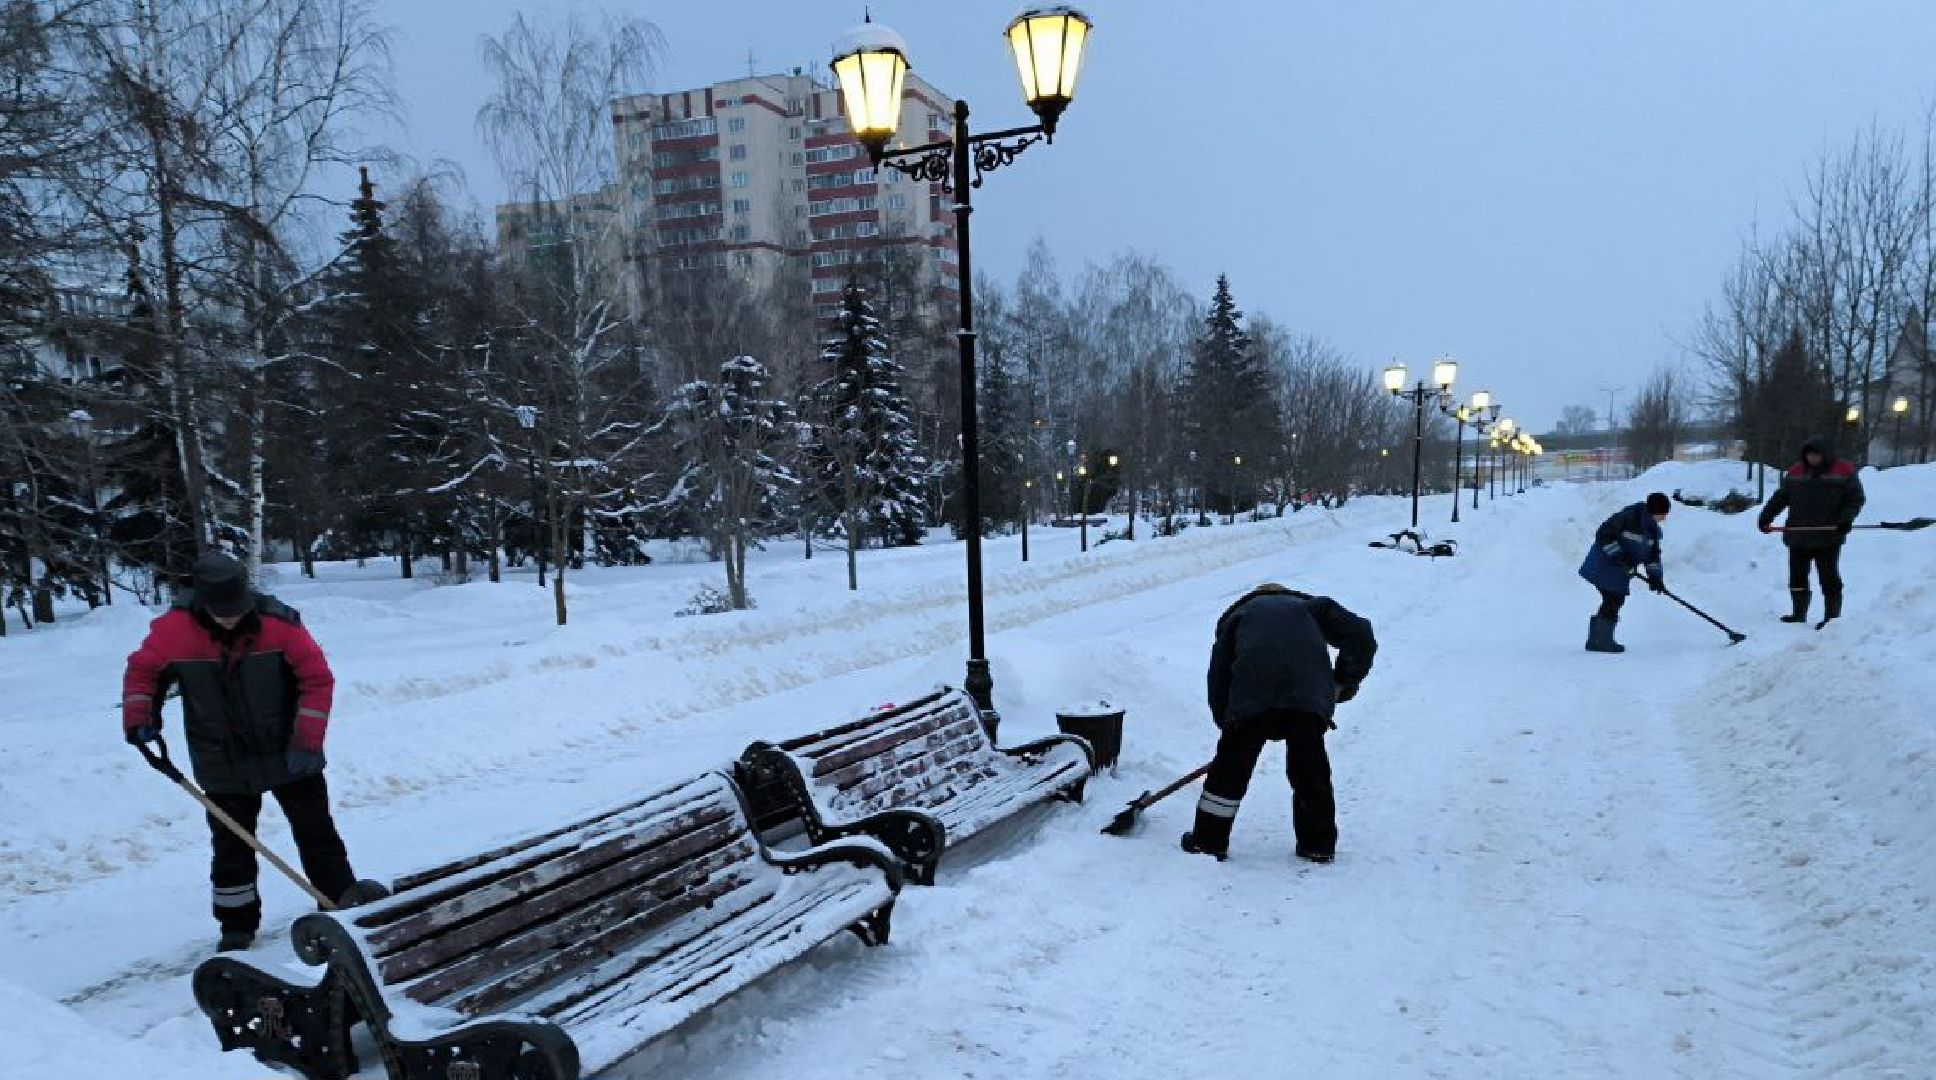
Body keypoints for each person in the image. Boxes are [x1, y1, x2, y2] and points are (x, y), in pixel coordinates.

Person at [122, 553, 384, 951]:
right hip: (219, 757)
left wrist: (307, 742)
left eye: (236, 609)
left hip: (290, 751)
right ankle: (236, 926)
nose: (229, 618)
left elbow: (317, 680)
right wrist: (140, 717)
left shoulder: (279, 625)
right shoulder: (174, 632)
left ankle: (341, 907)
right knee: (231, 846)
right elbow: (143, 673)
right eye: (220, 612)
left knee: (317, 835)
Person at [1182, 584, 1377, 864]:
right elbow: (1360, 635)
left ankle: (1208, 841)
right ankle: (1318, 844)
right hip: (1306, 696)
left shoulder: (1239, 616)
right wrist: (1344, 678)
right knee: (1310, 768)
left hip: (1253, 693)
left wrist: (1229, 726)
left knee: (1231, 770)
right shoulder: (1313, 608)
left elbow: (1219, 676)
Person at [1757, 437, 1865, 625]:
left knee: (1828, 577)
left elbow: (1855, 500)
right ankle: (1799, 614)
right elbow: (1781, 497)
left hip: (1828, 536)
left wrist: (1845, 519)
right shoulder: (1796, 472)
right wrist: (1766, 517)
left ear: (1825, 454)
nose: (1812, 458)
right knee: (1797, 577)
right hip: (1798, 535)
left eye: (1816, 455)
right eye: (1809, 455)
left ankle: (1831, 619)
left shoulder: (1844, 471)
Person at [1577, 493, 1669, 653]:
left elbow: (1652, 556)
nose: (1664, 518)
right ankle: (1601, 641)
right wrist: (1620, 558)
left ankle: (1596, 640)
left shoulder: (1652, 531)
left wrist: (1655, 577)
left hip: (1620, 570)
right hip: (1604, 563)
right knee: (1614, 598)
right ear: (1655, 510)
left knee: (1613, 599)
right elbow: (1604, 535)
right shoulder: (1628, 517)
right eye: (1663, 514)